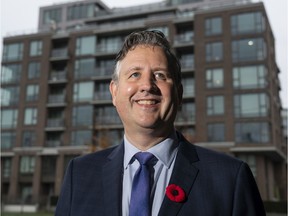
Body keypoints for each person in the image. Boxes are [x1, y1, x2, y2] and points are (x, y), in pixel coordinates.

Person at [55, 30, 266, 216]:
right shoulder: (79, 174)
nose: (147, 85)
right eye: (135, 74)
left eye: (160, 75)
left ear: (179, 93)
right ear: (114, 92)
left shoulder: (230, 179)